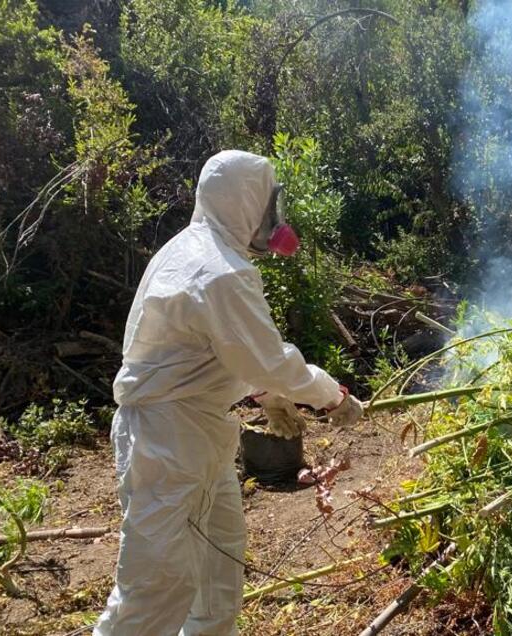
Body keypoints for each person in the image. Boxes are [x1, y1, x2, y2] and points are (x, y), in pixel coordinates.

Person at [94, 150, 364, 635]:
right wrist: (333, 397)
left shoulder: (195, 249)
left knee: (218, 577)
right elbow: (268, 359)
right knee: (153, 591)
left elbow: (216, 351)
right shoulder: (219, 270)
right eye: (267, 206)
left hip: (200, 436)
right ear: (242, 203)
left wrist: (268, 395)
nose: (273, 220)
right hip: (168, 443)